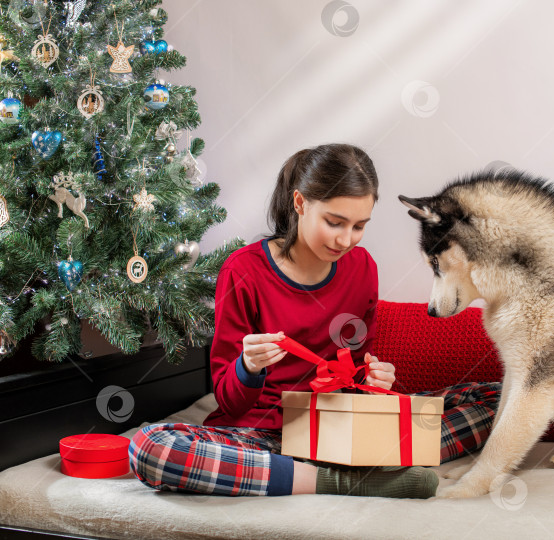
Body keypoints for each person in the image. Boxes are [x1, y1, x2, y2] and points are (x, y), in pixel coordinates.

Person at [129, 143, 501, 499]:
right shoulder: (244, 270)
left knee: (496, 397)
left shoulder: (362, 268)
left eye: (359, 226)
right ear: (300, 203)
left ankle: (344, 465)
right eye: (335, 222)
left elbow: (355, 371)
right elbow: (229, 401)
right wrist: (247, 367)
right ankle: (343, 481)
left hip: (338, 430)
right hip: (265, 436)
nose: (346, 239)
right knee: (152, 447)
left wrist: (373, 380)